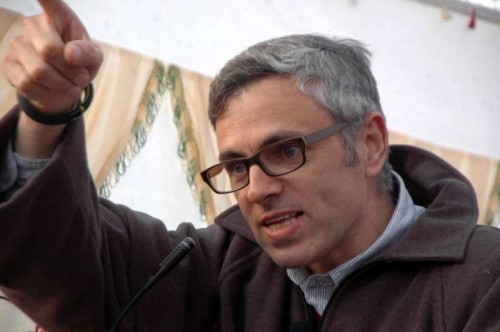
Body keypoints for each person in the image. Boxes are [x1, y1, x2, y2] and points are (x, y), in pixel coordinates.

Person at [1, 0, 500, 331]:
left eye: (285, 151)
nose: (255, 189)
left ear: (369, 144)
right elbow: (73, 264)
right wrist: (45, 114)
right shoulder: (218, 264)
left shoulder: (484, 280)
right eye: (236, 166)